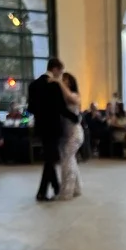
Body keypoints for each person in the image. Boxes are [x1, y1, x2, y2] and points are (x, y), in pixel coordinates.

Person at [28, 58, 78, 201]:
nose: (60, 75)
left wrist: (40, 114)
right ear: (55, 69)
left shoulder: (33, 85)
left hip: (40, 127)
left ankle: (56, 187)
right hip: (53, 127)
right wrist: (75, 118)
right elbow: (61, 108)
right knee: (50, 160)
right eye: (60, 72)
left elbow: (30, 108)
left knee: (50, 157)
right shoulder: (54, 85)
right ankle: (41, 192)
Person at [57, 72, 84, 200]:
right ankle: (77, 188)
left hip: (75, 133)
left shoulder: (75, 95)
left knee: (68, 159)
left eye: (66, 80)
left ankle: (68, 191)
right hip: (65, 133)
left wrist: (58, 82)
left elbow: (71, 98)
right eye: (63, 80)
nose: (63, 81)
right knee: (68, 159)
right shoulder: (62, 97)